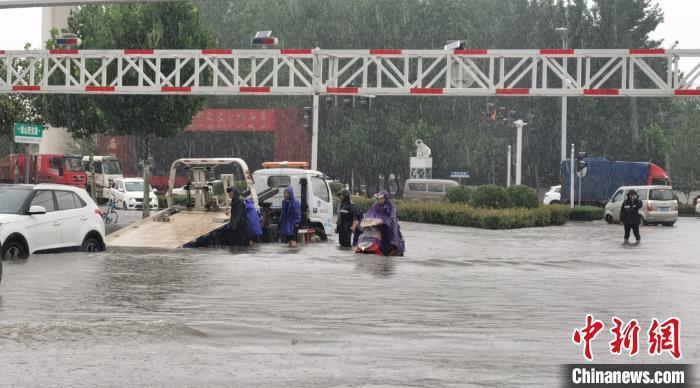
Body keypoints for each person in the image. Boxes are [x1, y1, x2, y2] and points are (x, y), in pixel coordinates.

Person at [365, 190, 405, 256]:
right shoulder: (376, 205)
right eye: (379, 199)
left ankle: (386, 251)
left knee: (385, 230)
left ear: (386, 198)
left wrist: (385, 221)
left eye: (382, 198)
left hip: (389, 225)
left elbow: (393, 217)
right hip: (376, 224)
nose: (380, 200)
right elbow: (370, 213)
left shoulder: (390, 206)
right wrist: (366, 220)